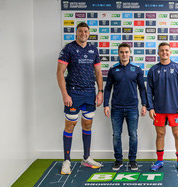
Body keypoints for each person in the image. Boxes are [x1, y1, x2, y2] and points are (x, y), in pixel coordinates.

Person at [57, 22, 103, 175]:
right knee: (70, 125)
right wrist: (65, 94)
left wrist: (100, 91)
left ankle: (86, 158)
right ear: (76, 33)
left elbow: (98, 73)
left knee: (88, 124)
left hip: (90, 92)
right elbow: (60, 73)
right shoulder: (68, 48)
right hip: (73, 93)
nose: (83, 33)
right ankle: (66, 161)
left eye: (86, 31)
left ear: (89, 33)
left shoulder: (93, 49)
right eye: (80, 31)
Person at [147, 42, 178, 173]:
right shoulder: (153, 70)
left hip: (175, 109)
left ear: (170, 52)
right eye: (162, 50)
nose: (164, 52)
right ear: (158, 53)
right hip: (159, 110)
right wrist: (151, 107)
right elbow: (149, 91)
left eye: (166, 50)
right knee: (160, 134)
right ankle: (160, 161)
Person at [104, 43, 147, 171]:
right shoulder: (113, 69)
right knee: (116, 135)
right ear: (118, 53)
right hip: (116, 108)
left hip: (132, 108)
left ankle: (132, 160)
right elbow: (107, 89)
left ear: (130, 53)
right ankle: (118, 160)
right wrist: (106, 105)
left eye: (126, 52)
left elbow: (142, 89)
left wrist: (144, 104)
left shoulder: (137, 69)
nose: (124, 54)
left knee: (133, 135)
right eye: (122, 52)